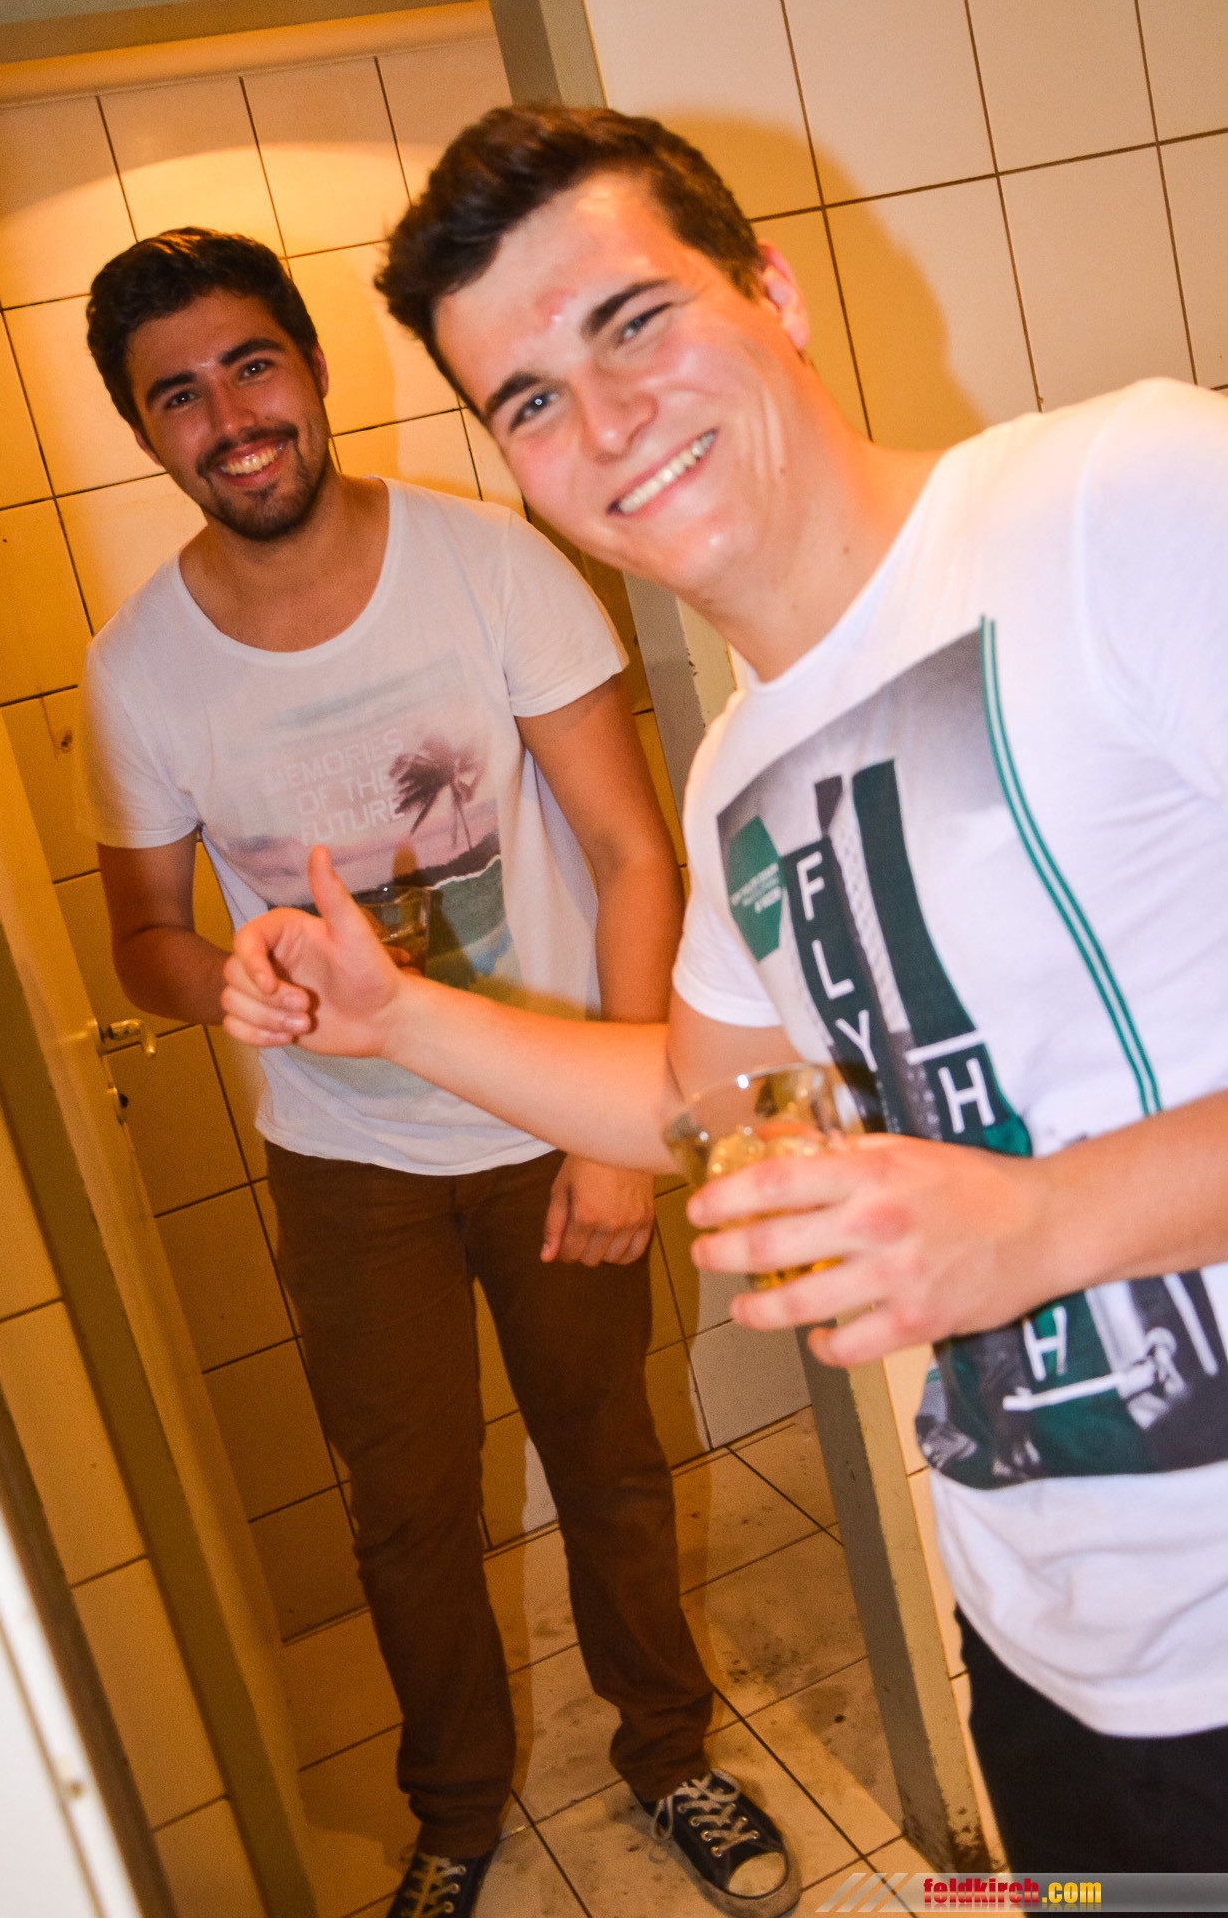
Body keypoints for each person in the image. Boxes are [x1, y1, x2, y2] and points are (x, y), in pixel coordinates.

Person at [221, 107, 1228, 1874]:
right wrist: (395, 1019)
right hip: (1047, 1656)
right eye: (529, 400)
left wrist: (1044, 1227)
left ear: (773, 291)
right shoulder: (736, 778)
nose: (606, 422)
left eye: (634, 320)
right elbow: (696, 1094)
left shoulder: (1115, 503)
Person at [77, 226, 802, 1918]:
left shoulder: (488, 566)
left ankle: (669, 1756)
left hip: (554, 1115)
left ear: (314, 367)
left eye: (251, 365)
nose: (229, 417)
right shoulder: (138, 670)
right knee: (404, 1517)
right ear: (143, 430)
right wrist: (221, 980)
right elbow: (143, 941)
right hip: (346, 1166)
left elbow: (632, 854)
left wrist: (619, 1138)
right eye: (177, 395)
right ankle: (458, 1816)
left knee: (607, 1462)